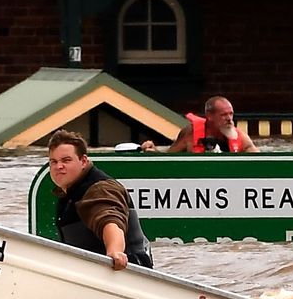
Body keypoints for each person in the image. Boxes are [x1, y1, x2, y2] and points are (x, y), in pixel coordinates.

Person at [45, 129, 152, 270]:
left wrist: (115, 251)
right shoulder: (70, 191)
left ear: (83, 161)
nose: (59, 166)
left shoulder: (99, 189)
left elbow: (111, 221)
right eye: (54, 162)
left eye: (66, 160)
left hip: (128, 275)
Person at [139, 96, 258, 153]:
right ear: (209, 116)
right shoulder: (190, 133)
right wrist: (153, 150)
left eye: (231, 114)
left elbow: (259, 159)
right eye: (224, 115)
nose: (229, 119)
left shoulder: (240, 137)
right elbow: (169, 156)